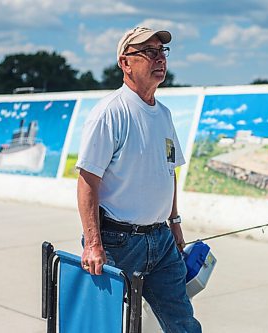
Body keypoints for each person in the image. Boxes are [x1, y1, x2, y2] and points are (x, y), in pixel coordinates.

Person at [76, 26, 202, 332]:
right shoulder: (110, 113)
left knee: (182, 323)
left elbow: (168, 171)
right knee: (105, 326)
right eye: (149, 52)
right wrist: (93, 244)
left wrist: (175, 223)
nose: (159, 58)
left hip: (161, 241)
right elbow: (87, 181)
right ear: (125, 63)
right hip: (117, 243)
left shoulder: (165, 115)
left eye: (162, 52)